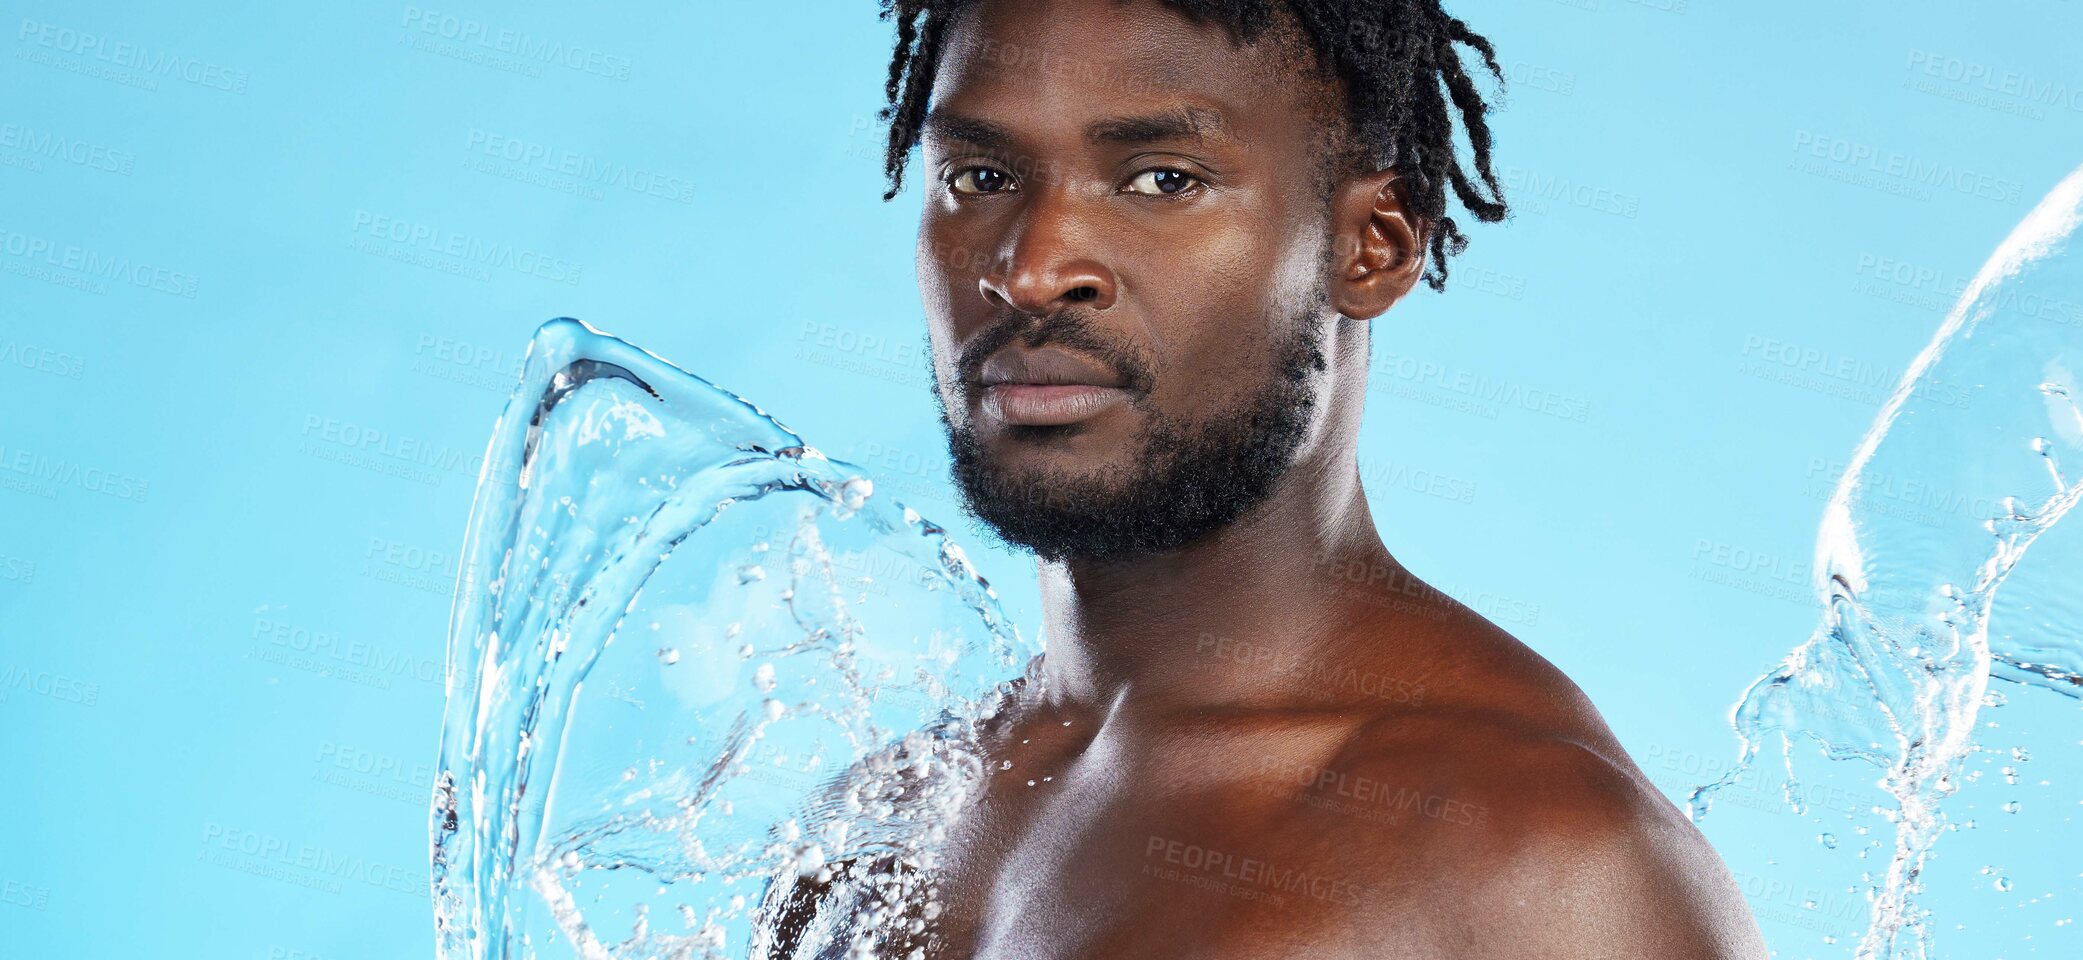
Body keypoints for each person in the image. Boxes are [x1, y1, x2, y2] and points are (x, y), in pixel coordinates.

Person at [756, 0, 1767, 955]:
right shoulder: (875, 825)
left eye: (1163, 179)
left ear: (1373, 244)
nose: (1030, 271)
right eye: (980, 178)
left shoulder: (1536, 858)